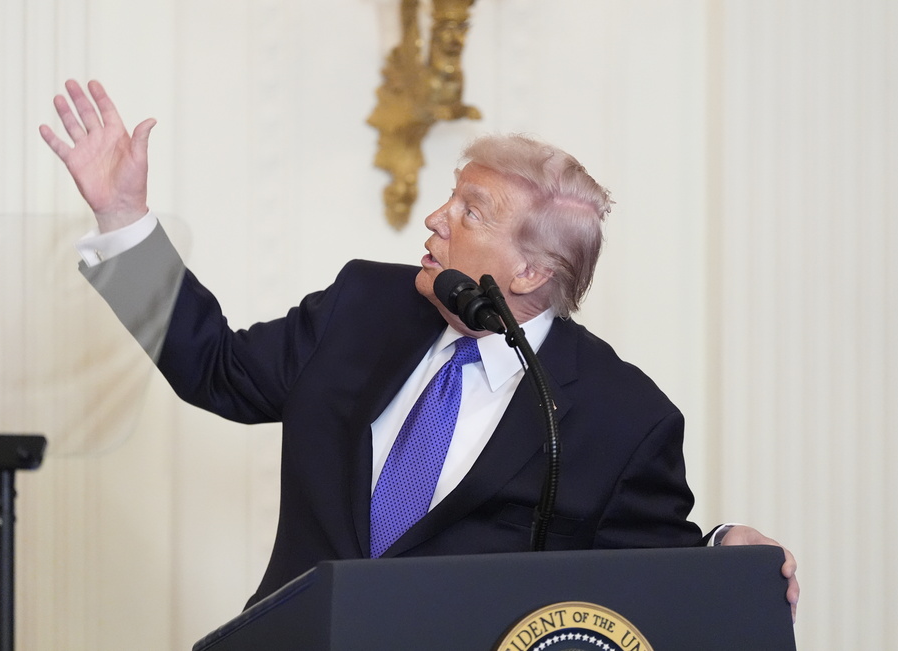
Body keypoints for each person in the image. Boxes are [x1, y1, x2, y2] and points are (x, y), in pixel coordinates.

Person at [40, 80, 799, 618]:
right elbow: (217, 370)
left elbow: (646, 586)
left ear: (533, 269)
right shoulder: (365, 306)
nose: (435, 218)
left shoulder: (621, 415)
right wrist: (124, 219)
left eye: (470, 210)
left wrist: (728, 546)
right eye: (451, 194)